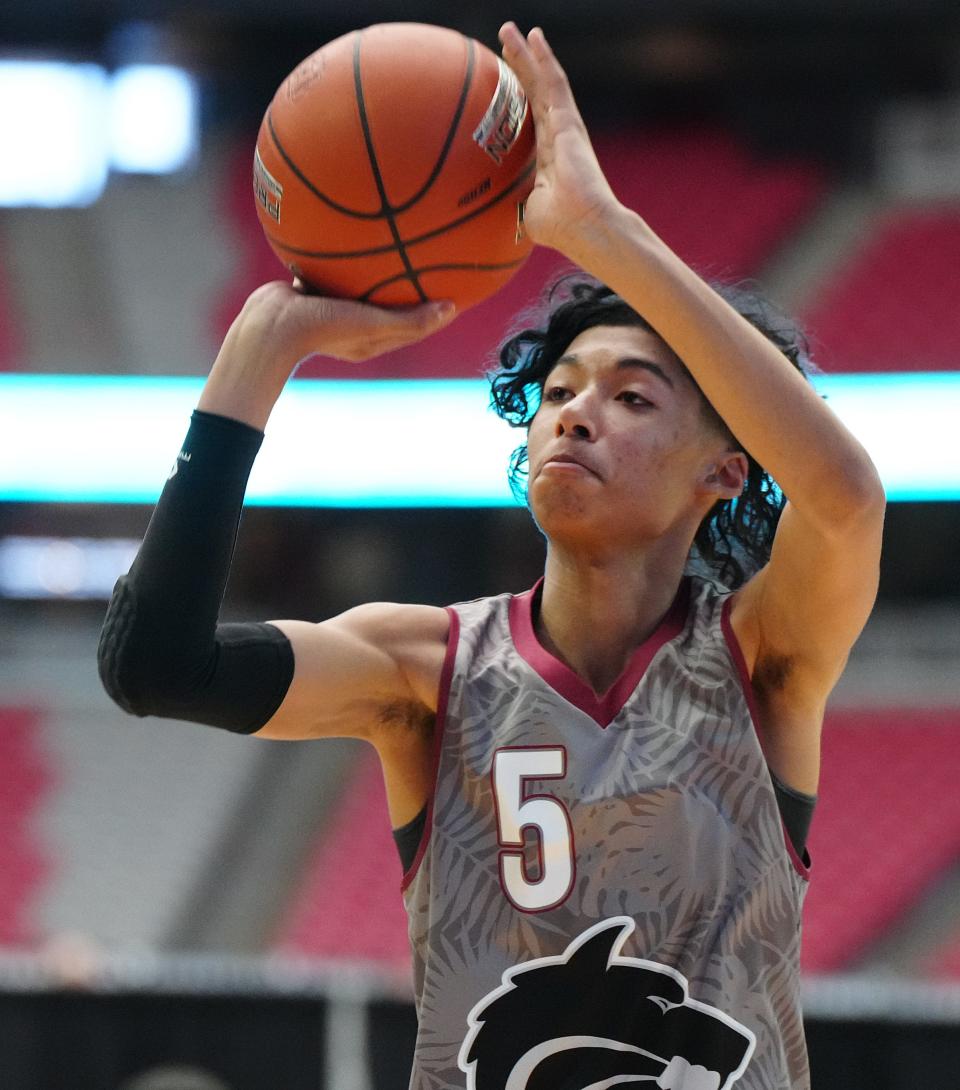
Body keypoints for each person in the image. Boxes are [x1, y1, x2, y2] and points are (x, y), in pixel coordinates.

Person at [98, 21, 885, 1090]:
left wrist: (604, 234)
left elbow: (843, 499)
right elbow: (153, 666)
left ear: (725, 472)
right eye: (558, 394)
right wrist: (261, 345)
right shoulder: (422, 667)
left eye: (631, 396)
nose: (575, 414)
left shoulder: (764, 658)